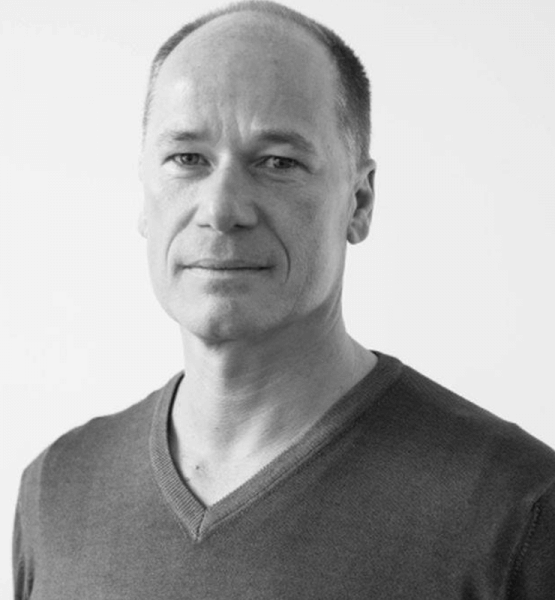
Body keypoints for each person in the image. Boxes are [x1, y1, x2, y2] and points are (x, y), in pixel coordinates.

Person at [13, 1, 555, 598]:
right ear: (144, 193)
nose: (221, 209)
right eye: (187, 159)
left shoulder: (515, 511)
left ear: (359, 201)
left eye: (277, 162)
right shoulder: (58, 490)